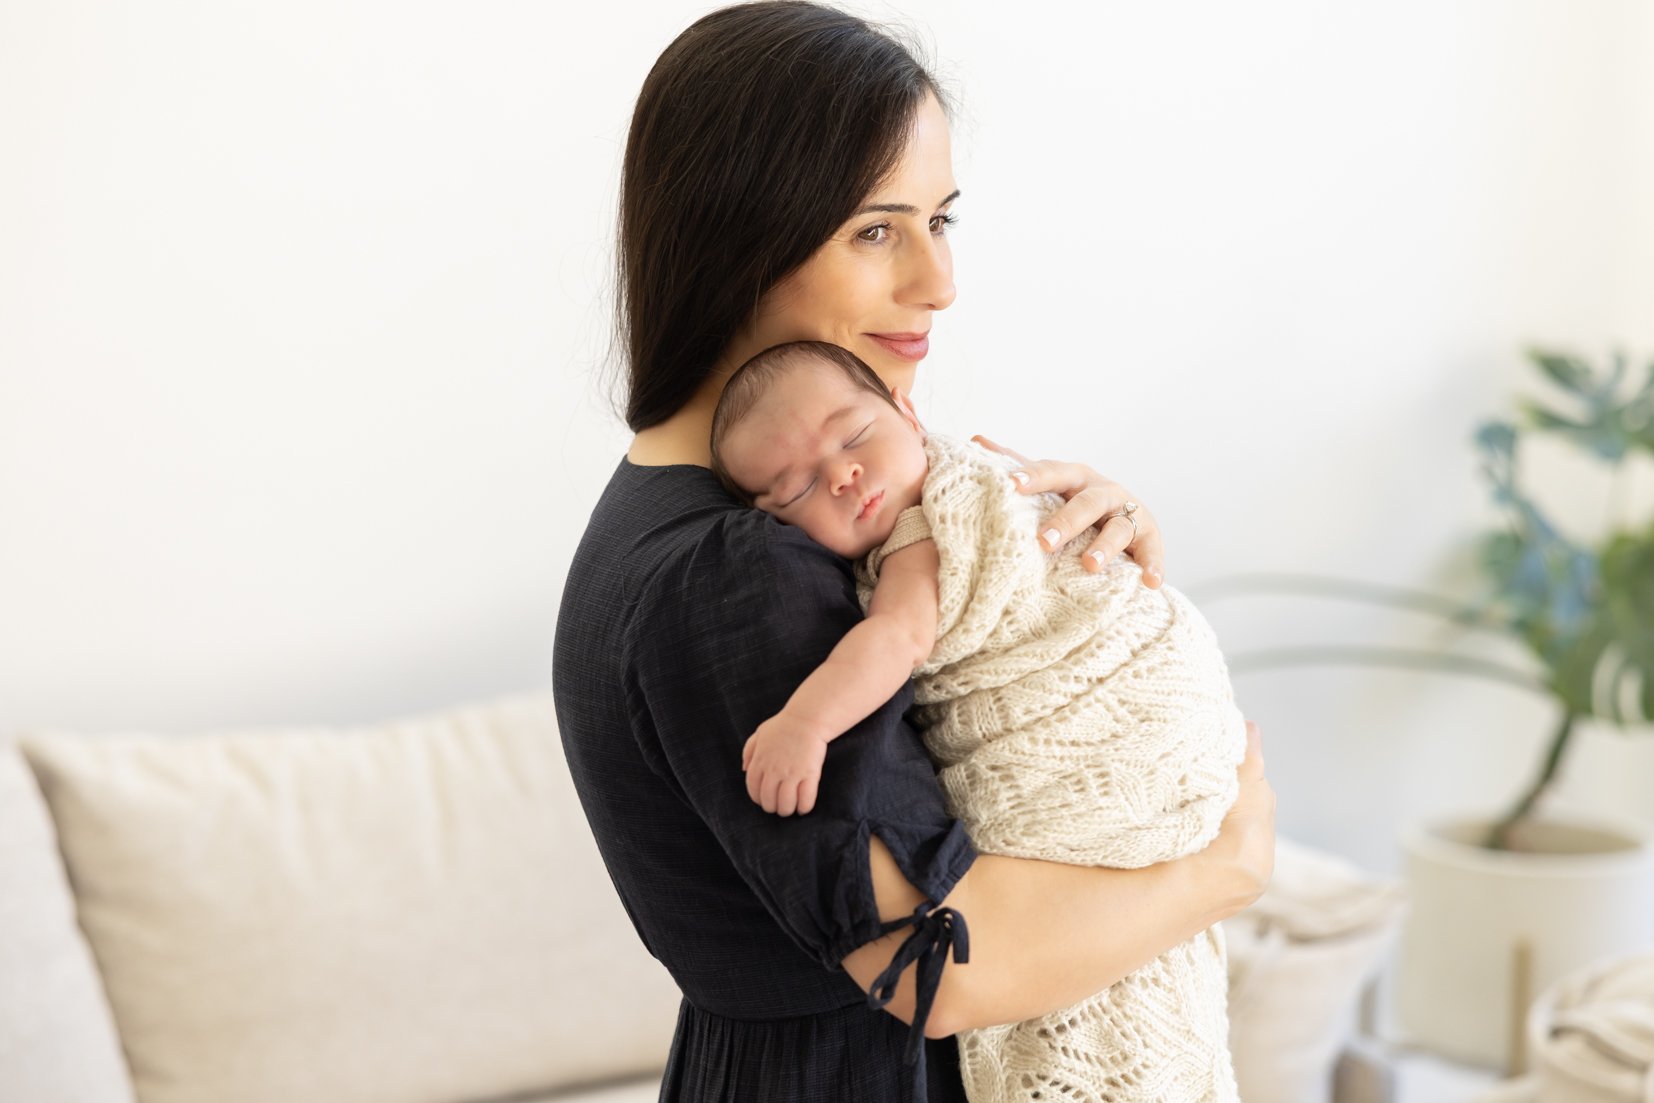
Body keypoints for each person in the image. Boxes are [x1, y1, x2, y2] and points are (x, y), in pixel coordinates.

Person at [551, 4, 1276, 1101]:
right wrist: (1219, 870)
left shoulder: (683, 507)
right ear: (736, 233)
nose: (937, 281)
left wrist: (1072, 561)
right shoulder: (729, 572)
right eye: (875, 231)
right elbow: (933, 957)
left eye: (940, 219)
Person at [710, 340, 1246, 1101]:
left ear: (908, 410)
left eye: (854, 435)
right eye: (794, 486)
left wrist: (806, 721)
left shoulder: (928, 525)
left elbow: (895, 638)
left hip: (1127, 694)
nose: (840, 474)